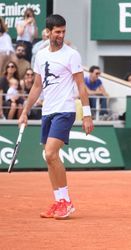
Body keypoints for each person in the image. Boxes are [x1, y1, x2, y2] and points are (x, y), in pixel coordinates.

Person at [18, 14, 94, 220]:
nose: (61, 35)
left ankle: (67, 202)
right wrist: (25, 111)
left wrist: (87, 115)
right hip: (48, 111)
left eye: (63, 31)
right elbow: (36, 86)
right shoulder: (41, 56)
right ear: (48, 32)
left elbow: (81, 85)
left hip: (65, 110)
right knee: (49, 158)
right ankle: (58, 201)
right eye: (57, 32)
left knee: (51, 153)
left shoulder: (72, 55)